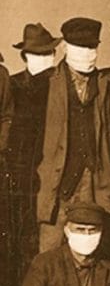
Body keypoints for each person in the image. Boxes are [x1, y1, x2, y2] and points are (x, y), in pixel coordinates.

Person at [36, 17, 110, 254]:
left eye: (92, 48)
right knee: (50, 252)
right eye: (81, 48)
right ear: (65, 47)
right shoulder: (47, 84)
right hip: (57, 185)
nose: (88, 54)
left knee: (90, 251)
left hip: (94, 185)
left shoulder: (107, 86)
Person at [6, 23, 60, 273]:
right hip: (14, 172)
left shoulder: (59, 87)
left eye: (47, 54)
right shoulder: (13, 85)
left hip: (47, 170)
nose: (43, 60)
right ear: (25, 56)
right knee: (14, 238)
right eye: (36, 54)